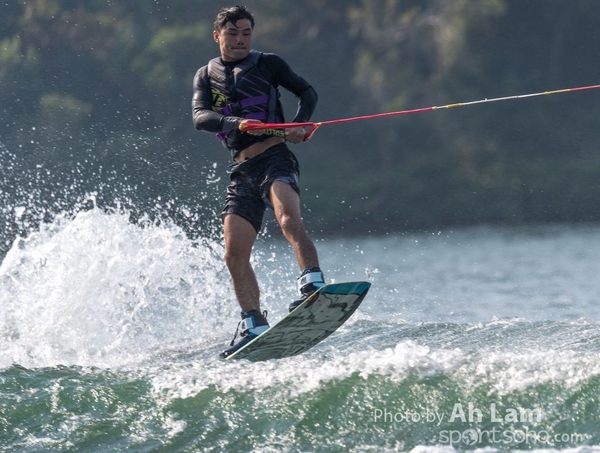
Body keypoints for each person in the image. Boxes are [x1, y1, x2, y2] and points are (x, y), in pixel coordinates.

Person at [192, 5, 325, 358]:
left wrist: (299, 124)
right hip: (241, 171)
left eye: (246, 34)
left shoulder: (269, 63)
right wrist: (234, 123)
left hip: (275, 156)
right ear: (217, 35)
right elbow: (201, 117)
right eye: (233, 34)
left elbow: (306, 92)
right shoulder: (206, 75)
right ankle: (253, 322)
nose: (240, 40)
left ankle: (312, 283)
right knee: (233, 254)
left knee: (287, 218)